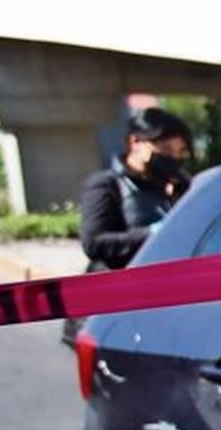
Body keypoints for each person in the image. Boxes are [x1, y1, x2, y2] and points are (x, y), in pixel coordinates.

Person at [62, 106, 194, 346]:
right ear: (135, 143)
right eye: (165, 150)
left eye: (180, 152)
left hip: (155, 308)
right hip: (108, 312)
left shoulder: (174, 186)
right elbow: (95, 242)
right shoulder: (106, 185)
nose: (173, 159)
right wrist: (155, 233)